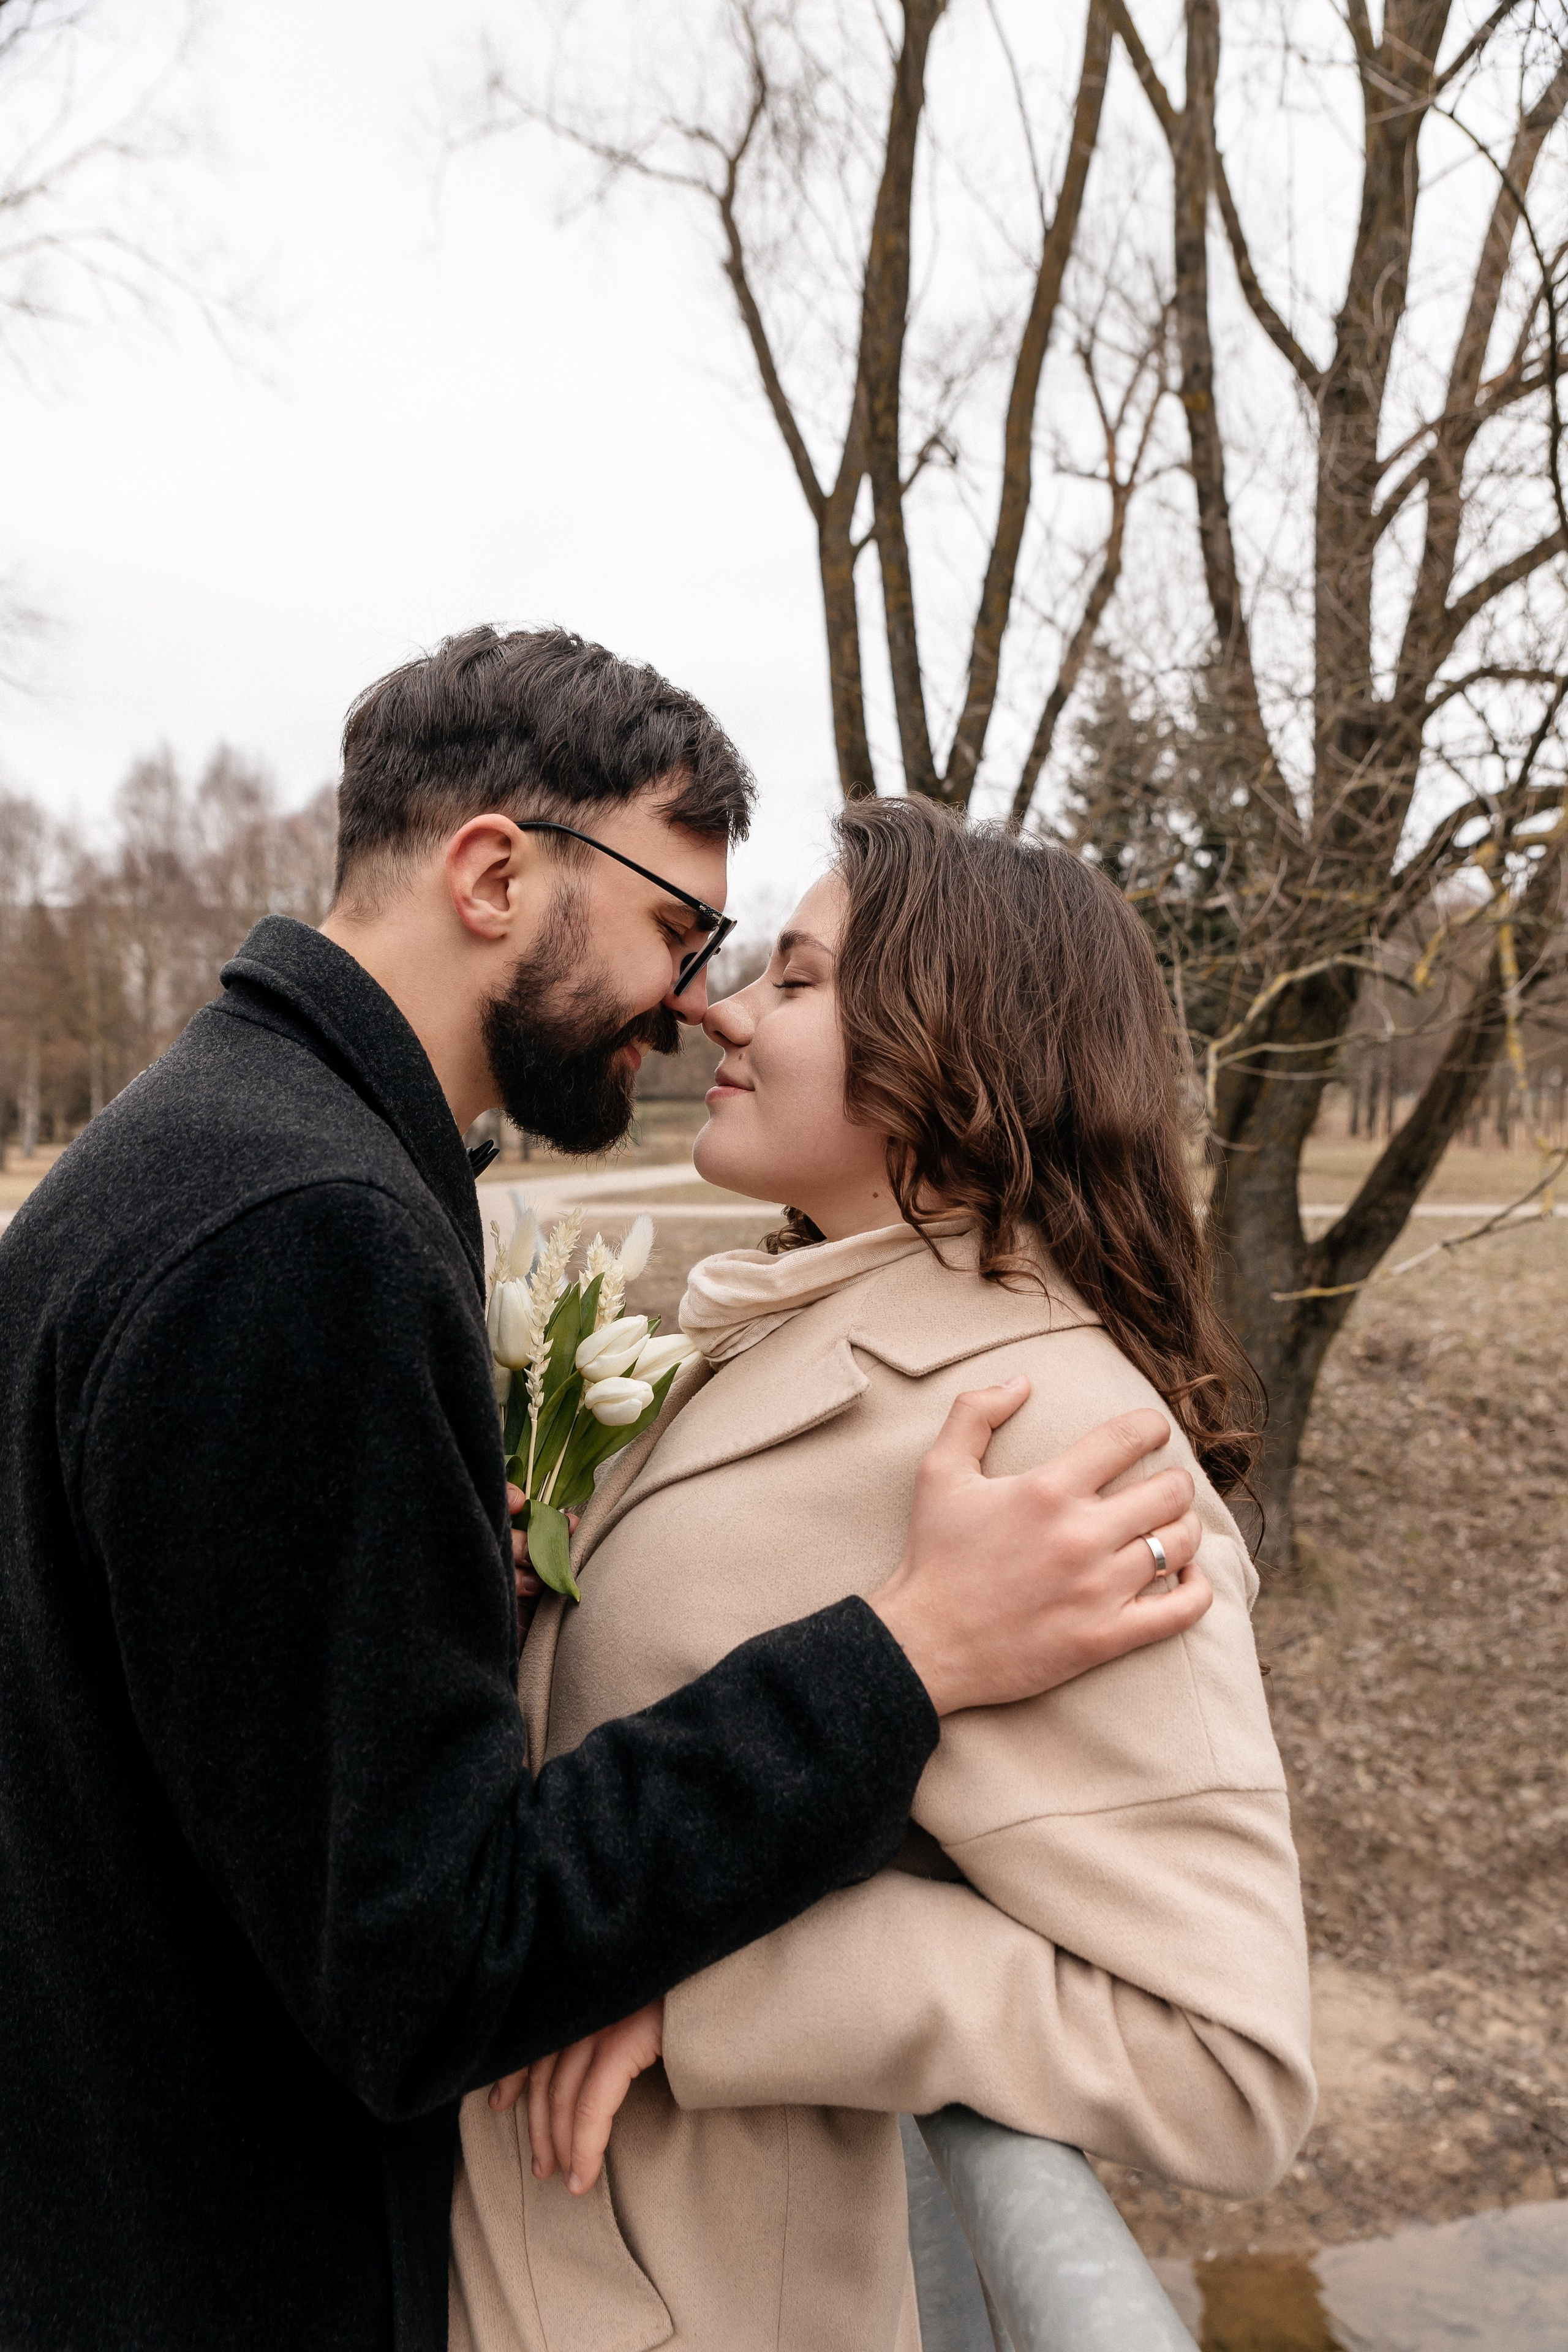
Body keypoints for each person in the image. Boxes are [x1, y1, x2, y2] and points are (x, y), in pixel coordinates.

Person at [0, 630, 1207, 2352]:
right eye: (676, 925)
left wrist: (411, 1602)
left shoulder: (213, 1145)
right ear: (494, 871)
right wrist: (904, 1654)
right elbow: (430, 1964)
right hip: (214, 2264)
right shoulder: (304, 1233)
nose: (692, 997)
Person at [453, 797, 1315, 2352]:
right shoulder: (790, 1323)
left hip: (679, 2299)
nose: (713, 1004)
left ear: (951, 1052)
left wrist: (713, 1992)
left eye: (793, 979)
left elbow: (1223, 2064)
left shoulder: (1059, 1435)